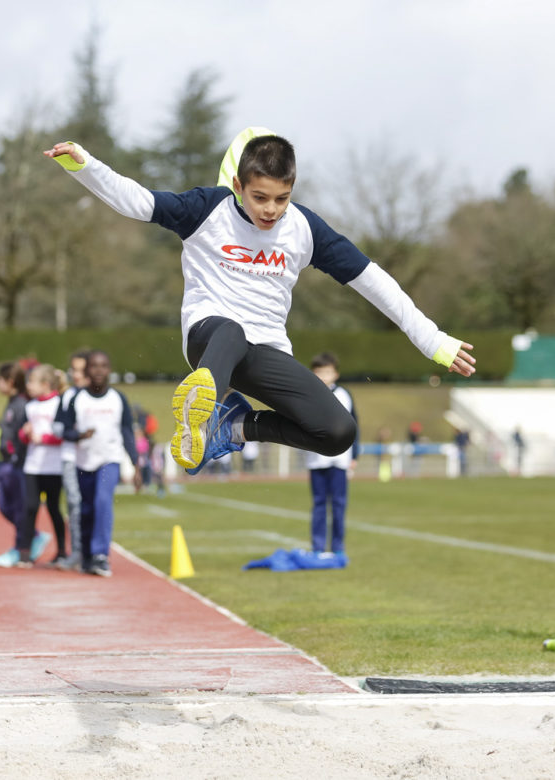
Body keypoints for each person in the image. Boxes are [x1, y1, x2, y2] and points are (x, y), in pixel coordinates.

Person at [44, 130, 475, 477]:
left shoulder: (305, 229)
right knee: (230, 329)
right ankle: (203, 400)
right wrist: (83, 164)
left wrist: (433, 340)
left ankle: (232, 425)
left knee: (338, 431)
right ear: (238, 186)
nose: (271, 210)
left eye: (281, 198)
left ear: (292, 190)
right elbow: (137, 201)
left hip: (264, 350)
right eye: (259, 198)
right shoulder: (206, 209)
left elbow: (371, 280)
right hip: (209, 337)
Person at [56, 350, 144, 577]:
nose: (98, 370)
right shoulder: (77, 398)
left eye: (103, 366)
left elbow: (127, 432)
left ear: (109, 370)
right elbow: (62, 430)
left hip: (109, 460)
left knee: (103, 500)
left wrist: (136, 464)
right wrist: (78, 436)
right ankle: (87, 555)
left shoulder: (118, 398)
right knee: (86, 509)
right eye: (93, 366)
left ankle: (100, 555)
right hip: (83, 462)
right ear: (86, 371)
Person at [0, 365, 62, 568]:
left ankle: (62, 551)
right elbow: (22, 436)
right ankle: (25, 552)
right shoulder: (30, 406)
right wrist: (25, 434)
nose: (28, 386)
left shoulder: (59, 405)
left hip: (54, 466)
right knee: (29, 507)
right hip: (32, 466)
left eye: (32, 382)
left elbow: (63, 435)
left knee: (53, 508)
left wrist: (43, 438)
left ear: (45, 384)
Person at [304, 353, 358, 555]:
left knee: (338, 504)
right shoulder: (308, 394)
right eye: (318, 372)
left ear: (336, 374)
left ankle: (337, 547)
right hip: (317, 459)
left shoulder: (344, 395)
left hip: (340, 460)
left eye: (327, 372)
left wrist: (355, 456)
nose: (323, 376)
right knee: (319, 503)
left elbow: (355, 426)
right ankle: (318, 546)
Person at [53, 351, 90, 570]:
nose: (76, 375)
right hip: (70, 458)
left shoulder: (100, 395)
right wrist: (74, 434)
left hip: (96, 458)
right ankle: (77, 551)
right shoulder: (67, 396)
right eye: (73, 370)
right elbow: (57, 427)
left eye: (81, 370)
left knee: (94, 505)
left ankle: (95, 552)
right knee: (74, 504)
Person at [0, 360, 30, 566]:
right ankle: (30, 535)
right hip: (7, 462)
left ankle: (22, 544)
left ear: (10, 381)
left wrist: (15, 455)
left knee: (16, 506)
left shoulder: (21, 404)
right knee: (5, 505)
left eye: (0, 380)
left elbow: (20, 435)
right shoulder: (11, 403)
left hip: (16, 463)